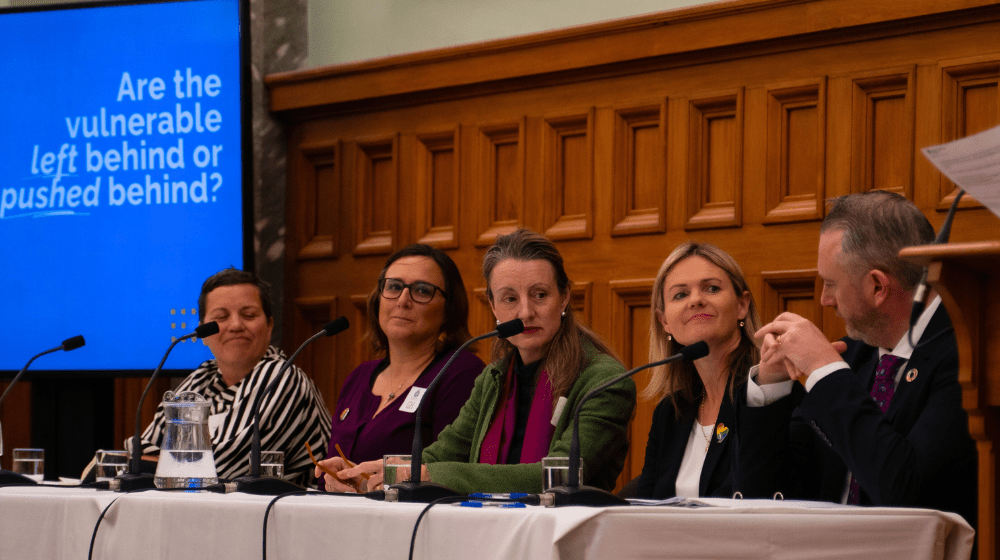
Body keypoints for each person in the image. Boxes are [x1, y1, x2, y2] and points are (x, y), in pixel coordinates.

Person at [321, 228, 636, 494]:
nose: (525, 312)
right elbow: (443, 452)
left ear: (565, 296)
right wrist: (370, 473)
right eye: (510, 298)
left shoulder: (603, 381)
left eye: (540, 295)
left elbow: (557, 477)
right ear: (493, 305)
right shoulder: (495, 378)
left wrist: (429, 475)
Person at [739, 191, 977, 526]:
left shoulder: (967, 357)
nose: (824, 300)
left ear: (878, 287)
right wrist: (771, 389)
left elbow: (909, 493)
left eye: (831, 284)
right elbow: (769, 492)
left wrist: (825, 370)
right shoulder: (854, 354)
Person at [132, 268, 331, 487]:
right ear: (203, 334)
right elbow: (139, 452)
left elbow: (223, 469)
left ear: (269, 326)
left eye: (249, 315)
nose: (236, 326)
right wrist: (164, 465)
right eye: (221, 317)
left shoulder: (284, 378)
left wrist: (166, 465)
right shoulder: (199, 380)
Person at [316, 244, 484, 490]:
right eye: (394, 287)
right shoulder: (359, 377)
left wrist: (369, 488)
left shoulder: (460, 372)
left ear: (449, 309)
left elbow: (450, 473)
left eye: (422, 290)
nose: (403, 300)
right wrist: (340, 478)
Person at [635, 242, 761, 499]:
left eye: (712, 288)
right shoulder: (670, 412)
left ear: (742, 305)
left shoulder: (764, 395)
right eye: (680, 295)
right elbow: (645, 506)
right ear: (665, 321)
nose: (696, 300)